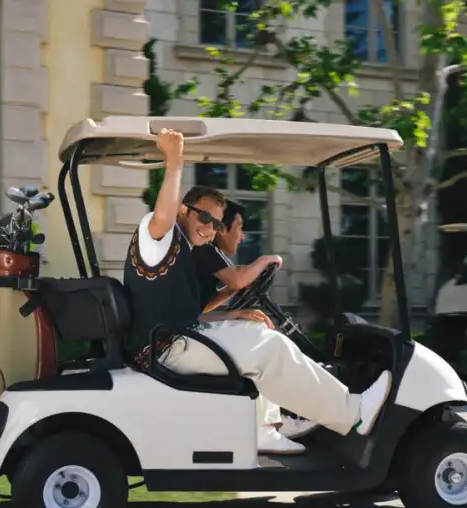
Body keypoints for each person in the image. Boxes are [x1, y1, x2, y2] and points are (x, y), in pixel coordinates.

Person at [122, 129, 393, 450]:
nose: (210, 228)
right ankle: (354, 413)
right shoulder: (158, 237)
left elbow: (185, 313)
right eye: (204, 217)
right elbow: (163, 216)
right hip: (166, 350)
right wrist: (175, 159)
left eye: (217, 224)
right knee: (269, 347)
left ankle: (267, 427)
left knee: (256, 331)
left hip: (172, 341)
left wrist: (232, 312)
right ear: (183, 209)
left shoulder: (181, 249)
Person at [190, 200, 317, 452]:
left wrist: (233, 306)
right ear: (223, 228)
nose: (242, 236)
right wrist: (265, 260)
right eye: (239, 227)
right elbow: (238, 279)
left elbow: (199, 307)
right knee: (261, 339)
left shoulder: (207, 255)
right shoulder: (206, 251)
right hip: (185, 338)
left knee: (255, 328)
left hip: (188, 332)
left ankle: (275, 420)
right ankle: (272, 425)